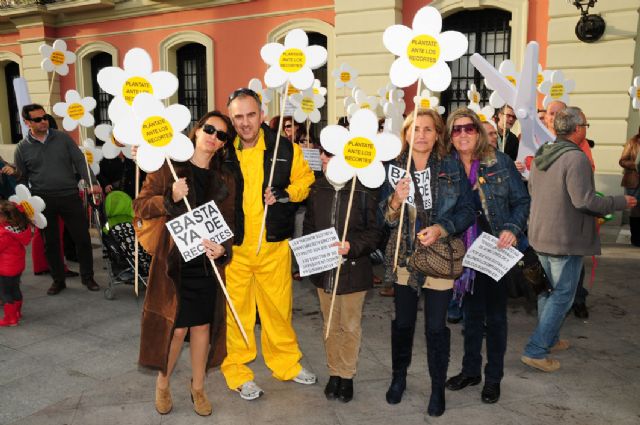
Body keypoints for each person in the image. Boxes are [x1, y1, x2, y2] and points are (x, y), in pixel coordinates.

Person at [134, 111, 239, 416]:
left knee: (203, 327)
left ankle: (198, 389)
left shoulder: (225, 177)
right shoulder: (169, 168)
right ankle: (163, 384)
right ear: (196, 130)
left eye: (221, 135)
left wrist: (223, 249)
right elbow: (139, 206)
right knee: (177, 330)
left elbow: (229, 222)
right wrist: (170, 195)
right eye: (209, 129)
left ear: (223, 144)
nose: (213, 137)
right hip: (174, 264)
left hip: (207, 264)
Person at [521, 107, 637, 372]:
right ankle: (536, 349)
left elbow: (533, 189)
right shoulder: (576, 159)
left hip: (541, 235)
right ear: (577, 129)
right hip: (564, 238)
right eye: (586, 124)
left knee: (546, 291)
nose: (586, 128)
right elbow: (584, 200)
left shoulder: (543, 153)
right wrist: (619, 201)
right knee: (562, 294)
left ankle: (548, 339)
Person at [222, 88, 316, 400]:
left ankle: (286, 363)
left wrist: (286, 194)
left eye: (251, 114)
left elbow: (305, 182)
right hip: (234, 249)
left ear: (262, 114)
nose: (245, 122)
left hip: (273, 246)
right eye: (238, 116)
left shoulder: (285, 149)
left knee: (278, 310)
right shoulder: (223, 151)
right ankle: (237, 370)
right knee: (237, 314)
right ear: (231, 119)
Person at [381, 109, 474, 417]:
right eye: (415, 129)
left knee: (436, 327)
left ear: (437, 135)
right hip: (404, 257)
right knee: (403, 323)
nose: (421, 134)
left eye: (428, 129)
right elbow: (385, 217)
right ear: (406, 133)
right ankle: (399, 378)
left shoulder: (451, 166)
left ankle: (437, 388)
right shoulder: (393, 166)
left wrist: (441, 228)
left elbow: (466, 211)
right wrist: (395, 200)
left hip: (439, 257)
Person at [443, 108, 530, 404]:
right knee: (470, 315)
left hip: (495, 250)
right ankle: (470, 371)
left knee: (494, 318)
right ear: (450, 135)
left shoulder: (499, 162)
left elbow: (521, 200)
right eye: (456, 130)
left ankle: (493, 378)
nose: (463, 134)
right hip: (462, 252)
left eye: (469, 128)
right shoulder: (446, 166)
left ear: (478, 132)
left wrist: (512, 228)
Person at [303, 147, 382, 403]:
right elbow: (310, 227)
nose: (323, 158)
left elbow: (375, 233)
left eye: (329, 154)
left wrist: (352, 247)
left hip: (354, 270)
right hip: (325, 270)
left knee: (349, 326)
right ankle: (334, 372)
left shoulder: (363, 189)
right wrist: (309, 254)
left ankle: (346, 375)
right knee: (329, 325)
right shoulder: (317, 188)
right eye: (322, 153)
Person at [14, 104, 101, 295]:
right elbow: (21, 178)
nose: (43, 121)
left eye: (44, 117)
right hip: (43, 200)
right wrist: (23, 203)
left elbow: (79, 160)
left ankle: (88, 277)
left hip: (69, 196)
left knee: (82, 239)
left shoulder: (62, 138)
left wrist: (92, 182)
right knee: (51, 243)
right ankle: (58, 280)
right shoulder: (22, 148)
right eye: (37, 119)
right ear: (27, 122)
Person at [0, 200, 32, 327]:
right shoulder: (18, 228)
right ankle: (17, 312)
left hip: (5, 269)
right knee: (15, 289)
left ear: (5, 217)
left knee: (5, 293)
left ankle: (11, 318)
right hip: (16, 267)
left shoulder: (4, 234)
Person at [619, 128, 640, 246]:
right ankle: (636, 239)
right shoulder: (632, 142)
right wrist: (635, 165)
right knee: (635, 210)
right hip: (634, 182)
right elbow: (622, 161)